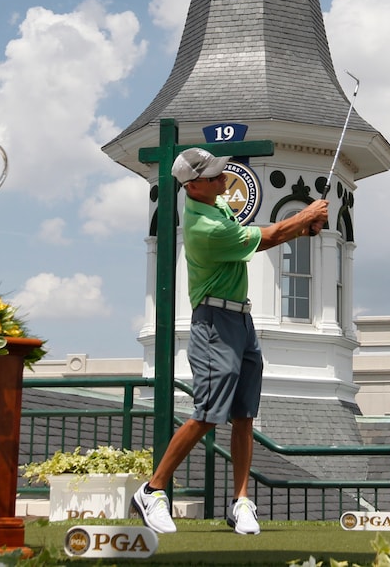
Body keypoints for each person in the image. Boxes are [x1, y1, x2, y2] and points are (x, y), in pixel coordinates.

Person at [132, 147, 329, 535]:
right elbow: (268, 235)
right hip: (214, 322)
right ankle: (152, 490)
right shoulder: (205, 226)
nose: (226, 178)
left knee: (243, 415)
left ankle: (241, 502)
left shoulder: (218, 207)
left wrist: (305, 226)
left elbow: (266, 237)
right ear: (195, 186)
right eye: (217, 175)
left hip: (241, 319)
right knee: (208, 413)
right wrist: (305, 215)